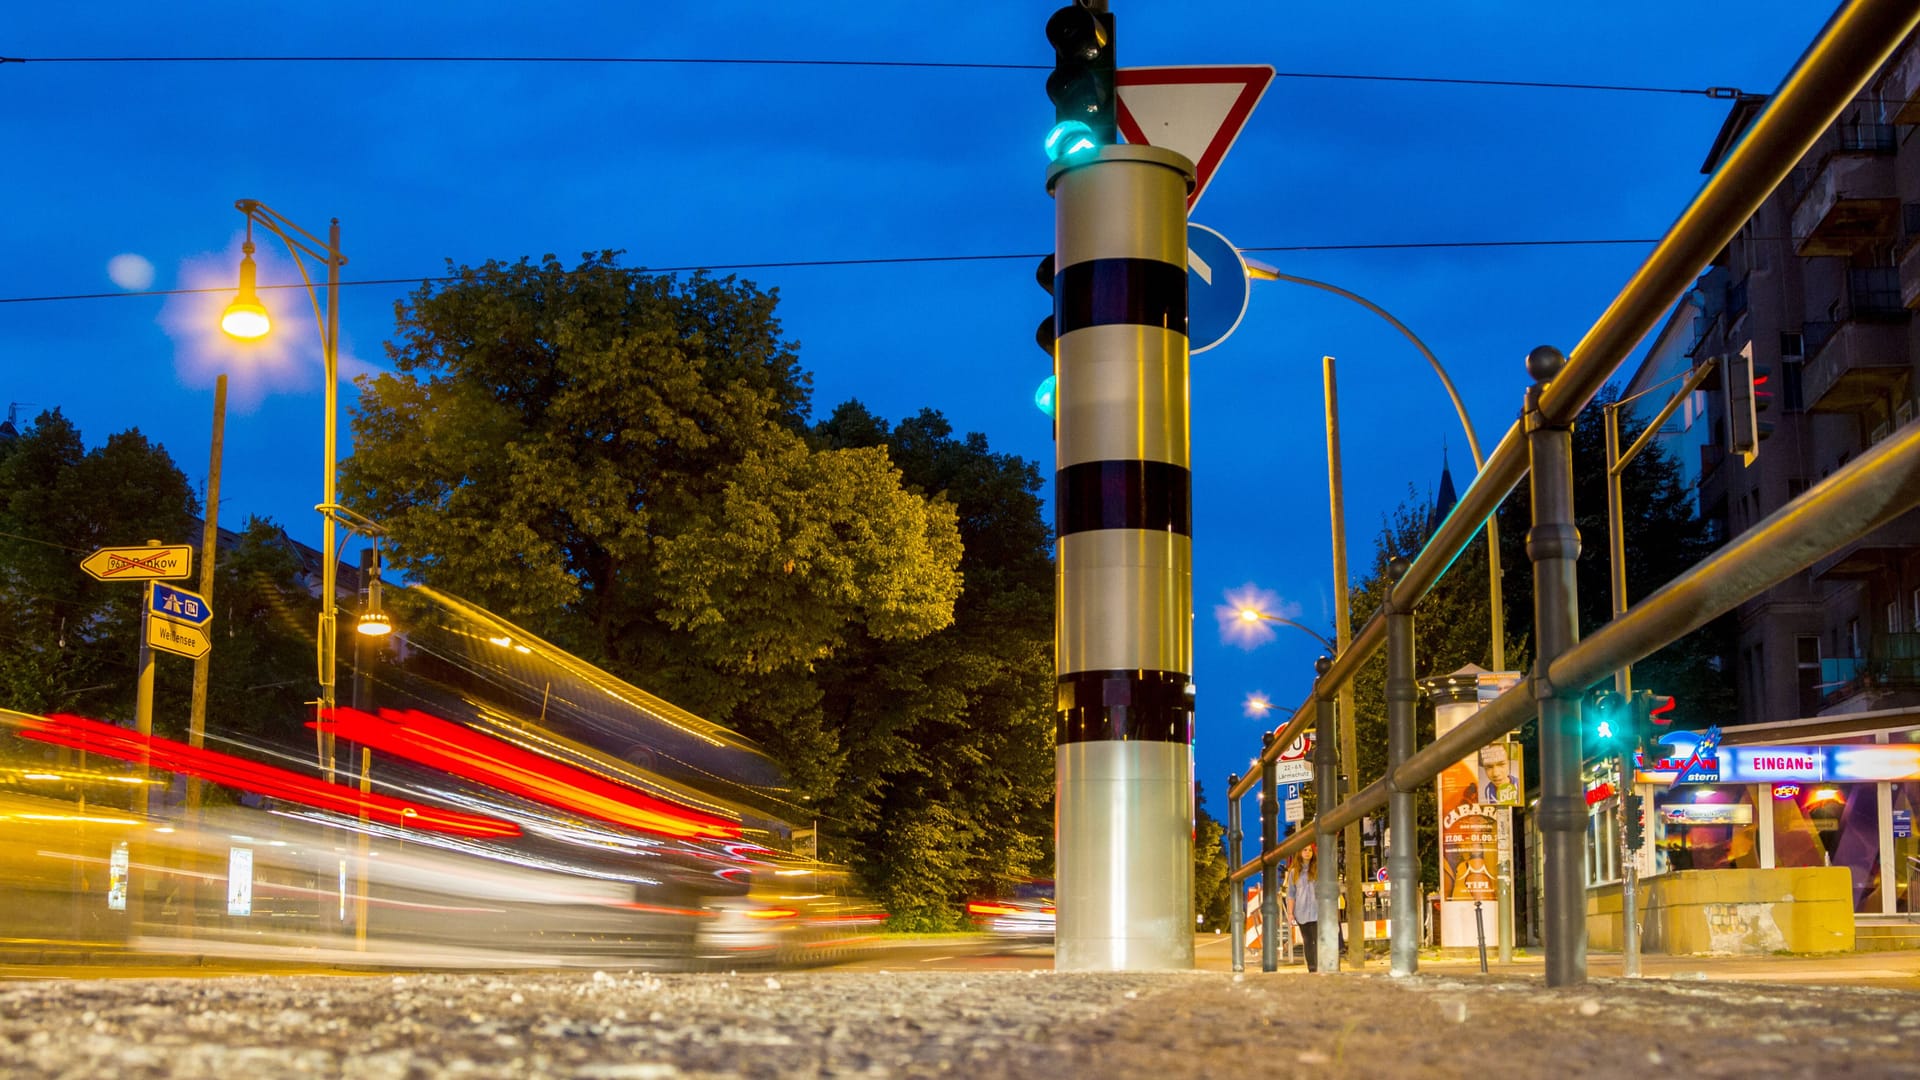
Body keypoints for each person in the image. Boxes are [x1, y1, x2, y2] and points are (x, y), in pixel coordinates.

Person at [1288, 845, 1320, 972]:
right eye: (1304, 850)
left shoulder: (1318, 869)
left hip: (1317, 911)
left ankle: (1319, 967)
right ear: (1300, 852)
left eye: (1310, 850)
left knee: (1318, 940)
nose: (1307, 852)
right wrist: (1290, 913)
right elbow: (1291, 894)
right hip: (1301, 912)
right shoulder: (1293, 872)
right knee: (1307, 941)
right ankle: (1311, 968)